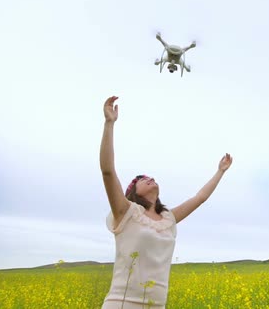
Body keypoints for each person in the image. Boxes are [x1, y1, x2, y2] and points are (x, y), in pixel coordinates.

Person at [99, 96, 232, 309]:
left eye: (150, 177)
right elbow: (107, 171)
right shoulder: (126, 211)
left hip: (156, 305)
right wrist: (109, 123)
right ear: (133, 191)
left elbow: (200, 197)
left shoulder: (168, 218)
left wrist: (220, 171)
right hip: (122, 304)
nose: (149, 178)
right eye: (142, 179)